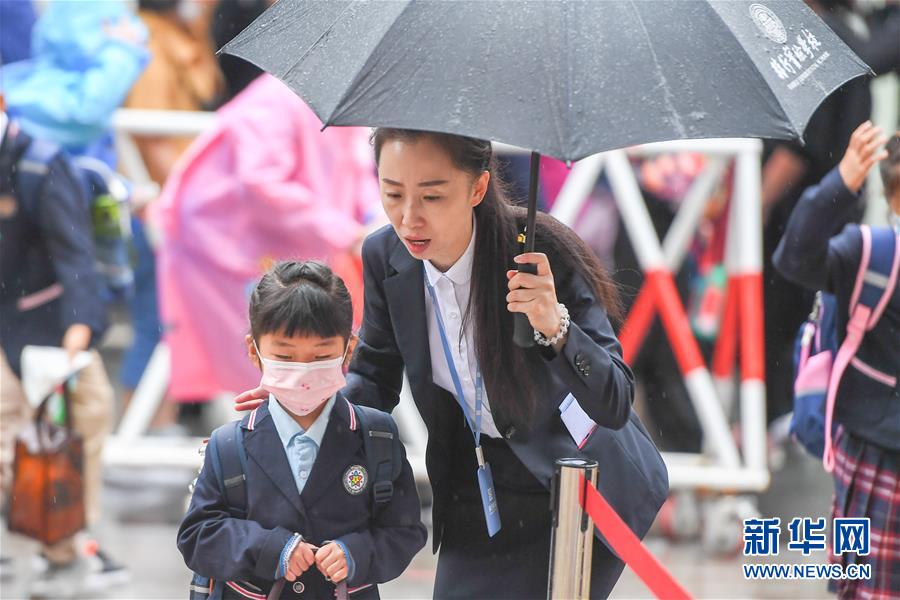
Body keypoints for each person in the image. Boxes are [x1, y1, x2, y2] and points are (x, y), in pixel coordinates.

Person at [237, 129, 668, 598]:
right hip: (477, 487)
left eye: (432, 196)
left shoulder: (541, 253)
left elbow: (615, 400)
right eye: (392, 193)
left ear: (478, 188)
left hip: (576, 485)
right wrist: (309, 405)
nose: (409, 218)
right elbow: (375, 376)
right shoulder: (386, 256)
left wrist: (555, 326)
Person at [178, 261, 427, 598]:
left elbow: (404, 530)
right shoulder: (229, 445)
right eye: (285, 356)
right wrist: (270, 549)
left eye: (321, 355)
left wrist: (355, 554)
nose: (303, 372)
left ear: (348, 349)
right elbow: (198, 536)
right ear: (254, 350)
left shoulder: (377, 436)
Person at [0, 108, 127, 592]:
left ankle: (68, 551)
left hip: (49, 330)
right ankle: (61, 548)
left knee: (72, 432)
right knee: (19, 443)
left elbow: (76, 258)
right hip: (12, 325)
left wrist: (75, 342)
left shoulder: (40, 164)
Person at [774, 122, 898, 598]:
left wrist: (842, 180)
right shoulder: (875, 252)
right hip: (874, 447)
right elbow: (796, 259)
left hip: (871, 446)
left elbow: (794, 258)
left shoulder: (873, 251)